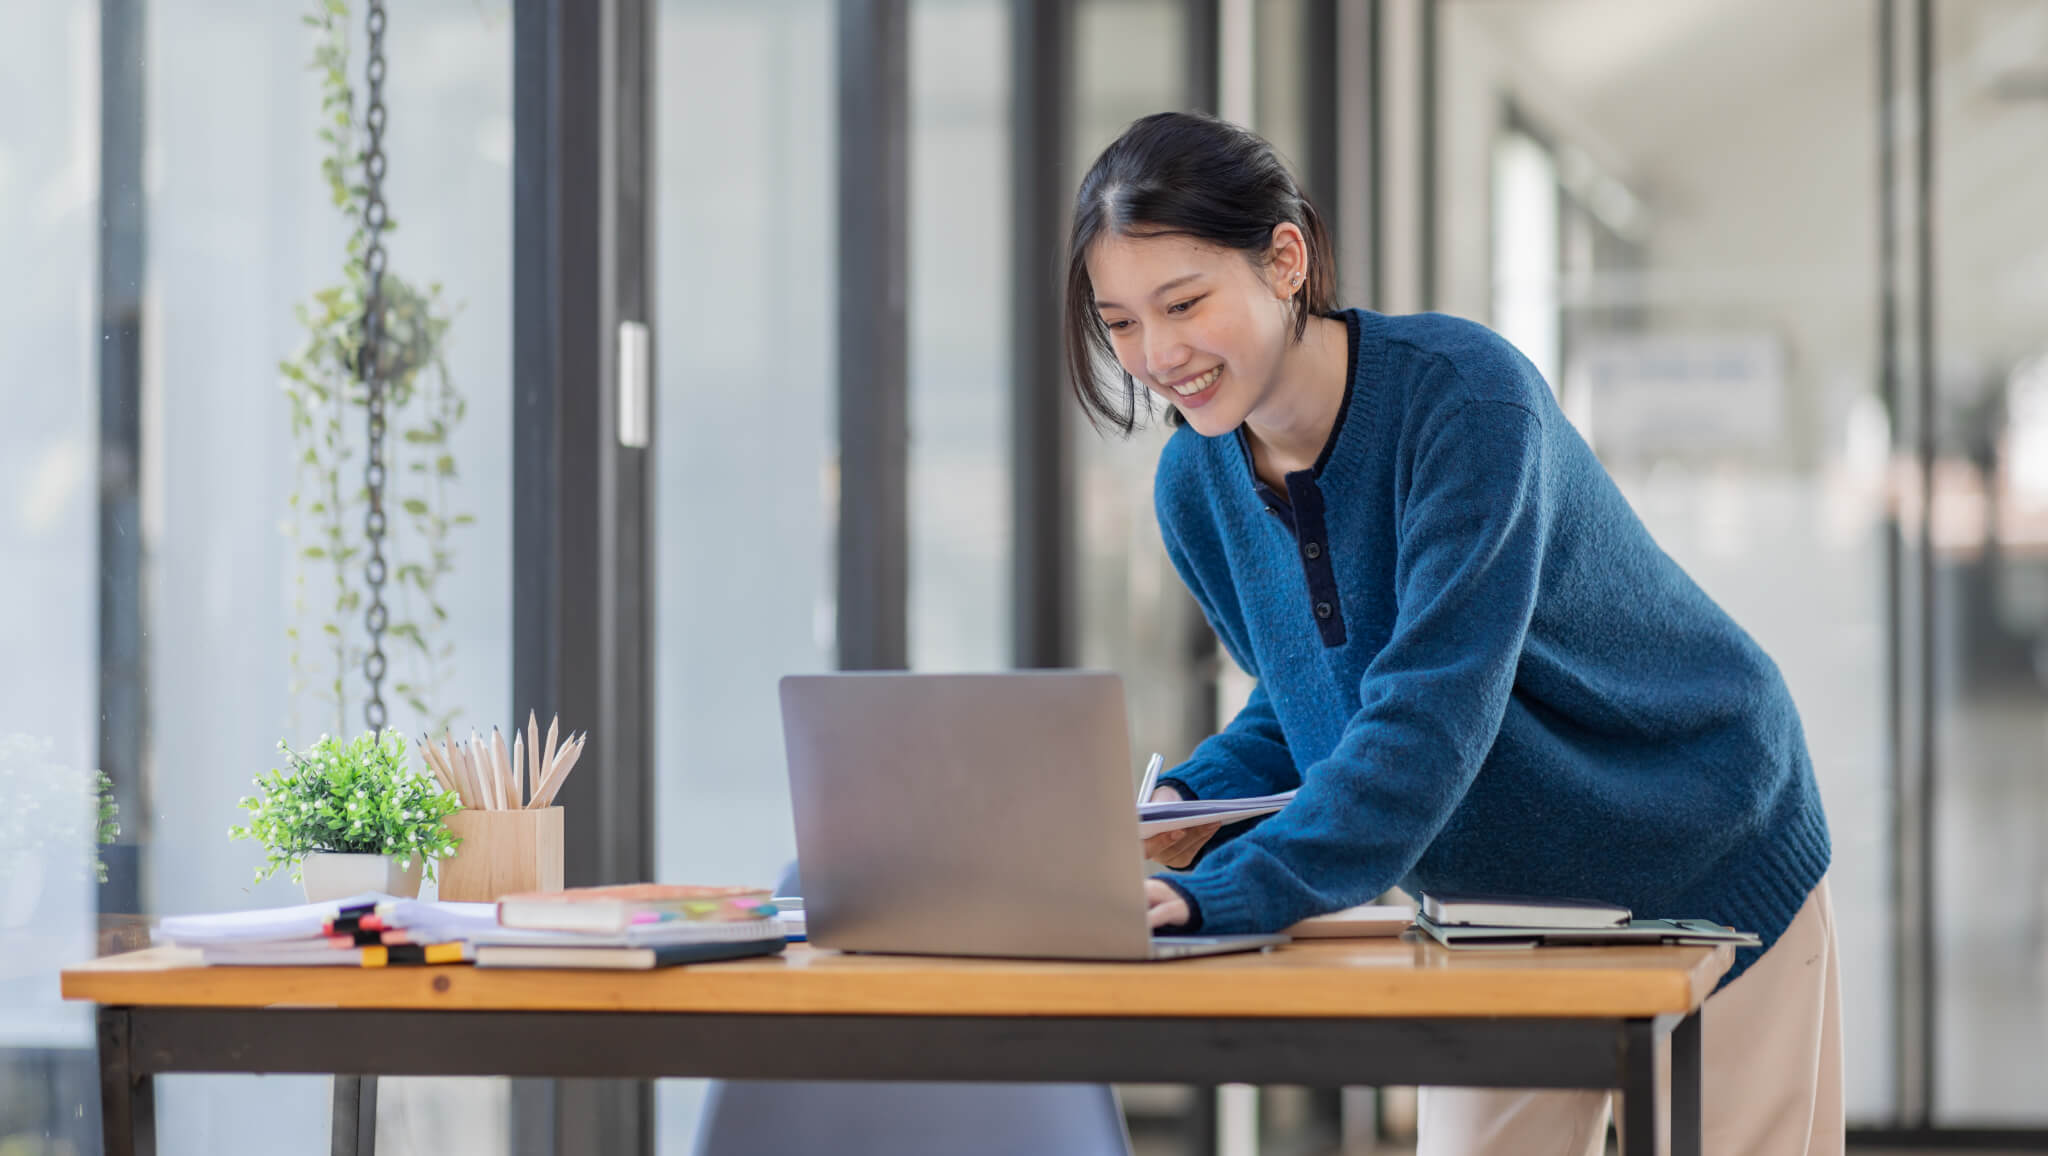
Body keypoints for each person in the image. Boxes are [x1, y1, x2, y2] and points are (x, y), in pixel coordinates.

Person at [1064, 110, 1842, 1156]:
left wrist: (1225, 896)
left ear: (1283, 259)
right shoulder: (1194, 485)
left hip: (1701, 841)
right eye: (1117, 323)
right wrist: (1186, 804)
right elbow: (1317, 704)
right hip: (1500, 905)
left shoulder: (1465, 404)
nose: (1156, 355)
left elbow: (1424, 720)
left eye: (1184, 302)